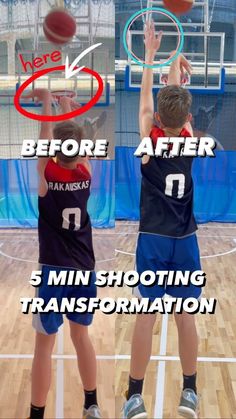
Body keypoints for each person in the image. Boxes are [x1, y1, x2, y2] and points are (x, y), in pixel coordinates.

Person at [122, 22, 200, 419]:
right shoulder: (190, 136)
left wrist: (153, 56)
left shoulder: (149, 142)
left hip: (152, 238)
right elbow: (172, 107)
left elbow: (147, 106)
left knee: (145, 315)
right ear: (186, 116)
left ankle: (134, 396)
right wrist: (173, 66)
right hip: (184, 238)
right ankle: (190, 391)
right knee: (186, 314)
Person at [24, 89, 101, 419]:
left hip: (53, 269)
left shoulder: (47, 177)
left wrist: (45, 102)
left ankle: (37, 414)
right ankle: (91, 404)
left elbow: (46, 141)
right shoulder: (86, 174)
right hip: (84, 269)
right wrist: (66, 104)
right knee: (81, 336)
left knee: (45, 344)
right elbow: (72, 140)